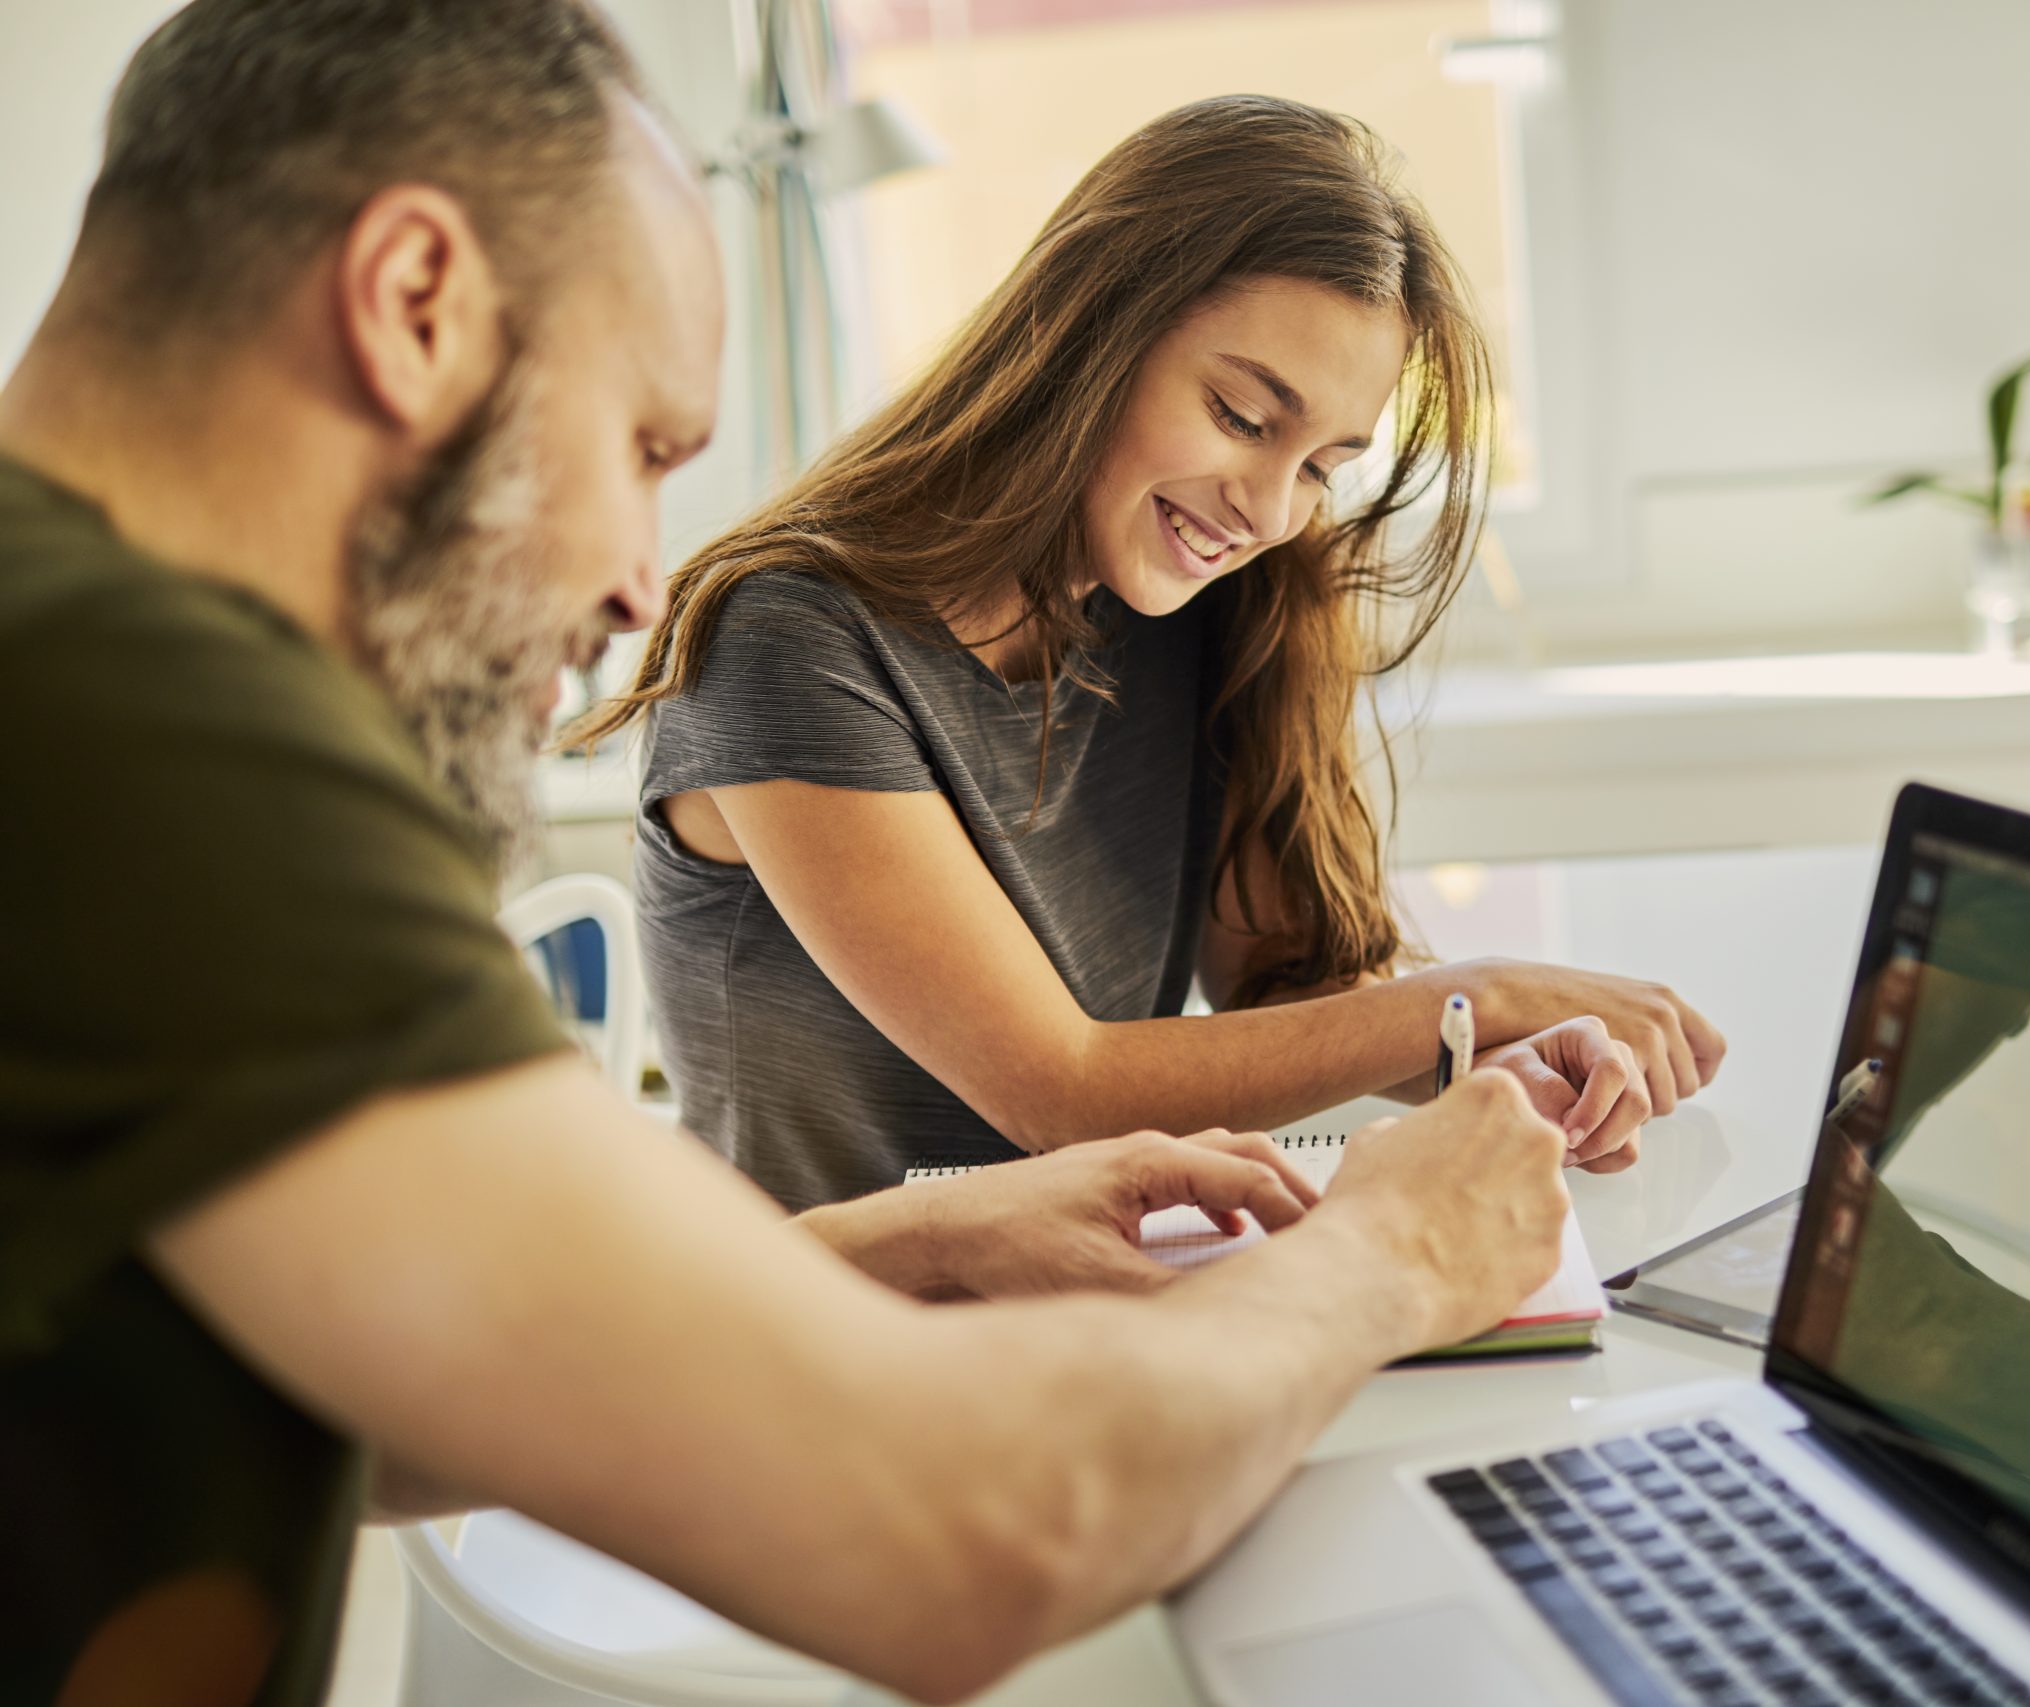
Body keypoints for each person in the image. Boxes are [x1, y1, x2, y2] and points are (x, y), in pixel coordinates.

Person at [0, 5, 1575, 1703]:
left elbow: (369, 1397)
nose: (633, 587)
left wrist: (930, 1235)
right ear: (413, 304)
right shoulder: (141, 737)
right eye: (644, 447)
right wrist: (1395, 1253)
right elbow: (965, 1540)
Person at [568, 95, 1728, 1206]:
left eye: (1323, 464)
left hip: (1096, 1291)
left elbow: (1284, 985)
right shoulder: (787, 637)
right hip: (826, 1337)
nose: (1271, 509)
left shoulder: (1194, 609)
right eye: (1241, 417)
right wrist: (1478, 992)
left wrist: (1484, 1063)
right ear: (1091, 332)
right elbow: (1060, 1091)